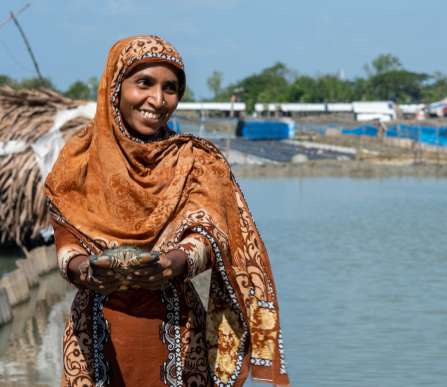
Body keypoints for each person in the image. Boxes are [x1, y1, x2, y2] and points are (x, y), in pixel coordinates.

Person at [44, 35, 290, 387]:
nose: (157, 100)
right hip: (93, 338)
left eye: (170, 88)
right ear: (115, 86)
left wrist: (175, 262)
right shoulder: (78, 159)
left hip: (179, 336)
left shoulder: (195, 160)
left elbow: (211, 235)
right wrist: (86, 269)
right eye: (144, 83)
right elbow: (67, 245)